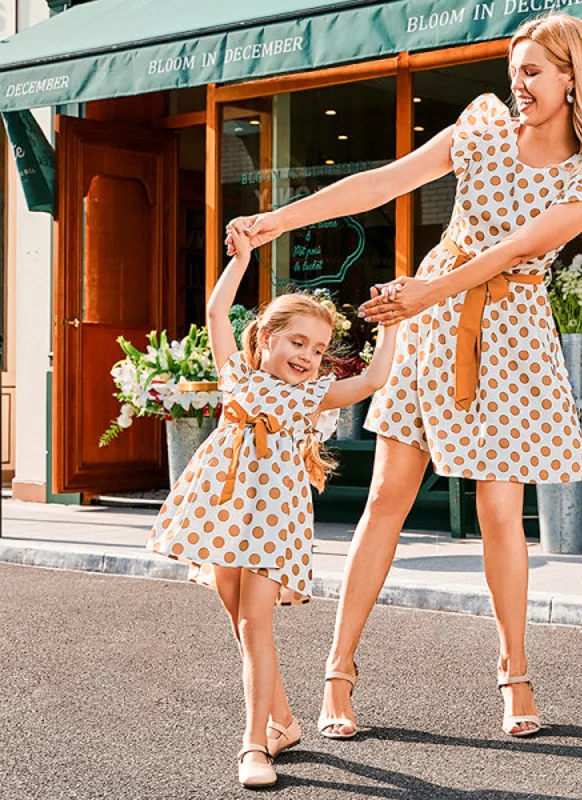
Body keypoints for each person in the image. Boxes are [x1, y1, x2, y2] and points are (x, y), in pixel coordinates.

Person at [227, 13, 582, 740]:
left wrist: (425, 293)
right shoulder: (482, 126)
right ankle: (338, 673)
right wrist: (277, 219)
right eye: (514, 72)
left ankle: (515, 675)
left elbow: (515, 250)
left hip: (510, 337)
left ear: (572, 77)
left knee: (500, 514)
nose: (519, 85)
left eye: (534, 72)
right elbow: (383, 182)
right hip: (430, 327)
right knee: (387, 496)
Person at [146, 227, 398, 787]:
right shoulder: (238, 374)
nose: (307, 356)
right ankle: (281, 722)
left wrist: (392, 324)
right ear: (266, 338)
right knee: (238, 621)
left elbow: (377, 378)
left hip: (270, 522)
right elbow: (217, 311)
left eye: (316, 348)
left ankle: (253, 745)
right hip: (224, 508)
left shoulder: (310, 395)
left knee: (256, 625)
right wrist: (242, 259)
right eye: (297, 342)